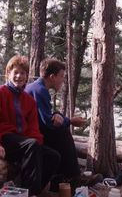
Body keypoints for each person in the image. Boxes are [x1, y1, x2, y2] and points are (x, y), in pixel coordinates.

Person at [0, 56, 60, 196]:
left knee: (53, 156)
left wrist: (38, 148)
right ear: (8, 74)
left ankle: (35, 190)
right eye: (15, 72)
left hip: (22, 143)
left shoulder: (29, 101)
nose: (18, 76)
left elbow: (33, 129)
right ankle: (28, 195)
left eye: (22, 73)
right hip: (3, 141)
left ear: (27, 76)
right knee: (32, 145)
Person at [25, 58, 102, 188]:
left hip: (31, 131)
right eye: (61, 76)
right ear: (52, 77)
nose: (63, 80)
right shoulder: (40, 90)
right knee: (62, 132)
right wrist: (70, 121)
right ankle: (74, 177)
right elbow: (48, 123)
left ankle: (59, 181)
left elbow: (45, 116)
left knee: (60, 131)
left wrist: (58, 115)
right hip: (28, 135)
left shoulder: (35, 87)